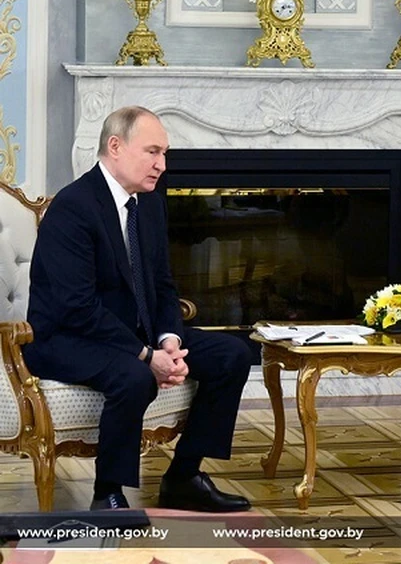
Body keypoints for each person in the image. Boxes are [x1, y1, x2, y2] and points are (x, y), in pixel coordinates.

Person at [25, 106, 252, 512]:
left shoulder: (148, 205)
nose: (162, 165)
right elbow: (76, 307)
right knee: (134, 376)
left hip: (135, 333)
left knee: (232, 354)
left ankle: (183, 477)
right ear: (115, 146)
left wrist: (169, 340)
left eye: (164, 154)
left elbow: (162, 284)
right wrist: (147, 356)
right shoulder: (73, 207)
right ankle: (107, 494)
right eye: (152, 152)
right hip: (66, 338)